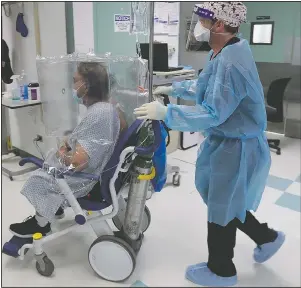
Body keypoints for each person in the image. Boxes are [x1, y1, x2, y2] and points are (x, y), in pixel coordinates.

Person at [134, 2, 285, 287]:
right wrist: (174, 88)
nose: (196, 24)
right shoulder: (227, 51)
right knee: (228, 202)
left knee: (221, 206)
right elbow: (207, 87)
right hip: (231, 143)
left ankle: (221, 270)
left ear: (218, 24)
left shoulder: (230, 61)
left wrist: (168, 113)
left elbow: (214, 112)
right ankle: (268, 238)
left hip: (236, 147)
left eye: (201, 19)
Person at [9, 62, 120, 238]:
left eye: (75, 80)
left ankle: (41, 224)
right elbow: (89, 141)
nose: (72, 85)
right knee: (47, 166)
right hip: (97, 171)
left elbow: (78, 163)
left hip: (83, 180)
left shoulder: (97, 114)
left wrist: (62, 154)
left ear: (87, 85)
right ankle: (52, 209)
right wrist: (70, 142)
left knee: (36, 180)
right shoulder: (105, 108)